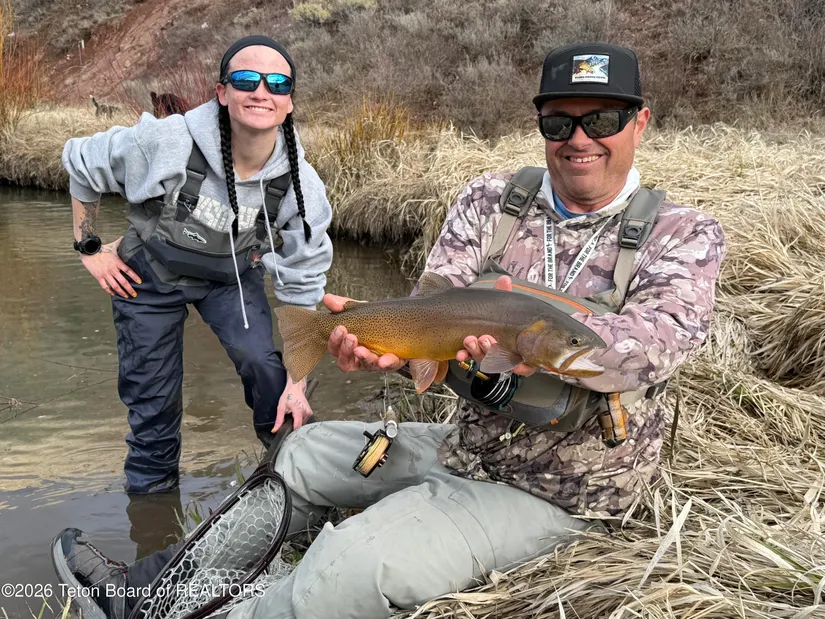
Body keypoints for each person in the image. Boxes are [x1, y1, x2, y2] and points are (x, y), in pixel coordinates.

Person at [52, 42, 726, 619]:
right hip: (466, 446)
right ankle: (156, 589)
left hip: (564, 490)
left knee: (352, 560)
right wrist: (383, 349)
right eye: (560, 121)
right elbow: (428, 317)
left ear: (640, 122)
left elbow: (655, 346)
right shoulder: (492, 200)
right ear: (541, 125)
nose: (579, 139)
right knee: (301, 453)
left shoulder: (685, 235)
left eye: (602, 119)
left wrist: (529, 346)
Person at [61, 35, 333, 495]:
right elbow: (82, 161)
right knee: (153, 403)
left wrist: (298, 381)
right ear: (222, 92)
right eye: (246, 79)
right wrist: (90, 248)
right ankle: (153, 511)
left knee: (269, 373)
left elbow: (303, 282)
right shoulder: (168, 140)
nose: (261, 91)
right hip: (147, 276)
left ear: (289, 102)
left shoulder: (301, 186)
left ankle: (295, 481)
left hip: (231, 280)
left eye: (277, 83)